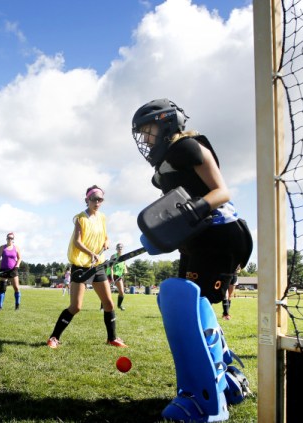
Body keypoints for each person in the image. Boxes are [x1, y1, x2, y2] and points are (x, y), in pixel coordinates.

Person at [132, 99, 253, 421]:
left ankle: (206, 399)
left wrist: (194, 212)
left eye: (149, 131)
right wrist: (166, 234)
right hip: (197, 240)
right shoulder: (165, 163)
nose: (145, 139)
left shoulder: (188, 146)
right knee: (186, 305)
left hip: (221, 234)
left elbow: (221, 192)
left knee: (191, 309)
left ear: (166, 123)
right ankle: (225, 380)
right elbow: (174, 205)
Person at [46, 185, 127, 349]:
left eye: (100, 199)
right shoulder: (80, 218)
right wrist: (91, 253)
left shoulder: (103, 218)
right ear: (87, 200)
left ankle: (112, 338)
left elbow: (105, 237)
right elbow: (77, 241)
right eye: (94, 199)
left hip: (98, 267)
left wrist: (106, 242)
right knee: (76, 307)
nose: (97, 202)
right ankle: (54, 338)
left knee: (109, 304)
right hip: (80, 267)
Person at [0, 232, 23, 310]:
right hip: (3, 270)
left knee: (16, 288)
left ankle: (17, 306)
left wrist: (17, 265)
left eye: (11, 238)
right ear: (6, 238)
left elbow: (19, 258)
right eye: (8, 238)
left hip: (13, 270)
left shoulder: (16, 248)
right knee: (2, 288)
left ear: (13, 240)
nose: (10, 239)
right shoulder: (2, 247)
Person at [106, 243, 128, 310]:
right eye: (118, 248)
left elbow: (124, 265)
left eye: (121, 248)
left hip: (119, 276)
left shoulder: (124, 257)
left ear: (123, 249)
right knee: (106, 292)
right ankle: (102, 307)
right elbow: (111, 267)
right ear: (116, 249)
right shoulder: (113, 256)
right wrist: (112, 278)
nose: (120, 249)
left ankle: (119, 305)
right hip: (110, 275)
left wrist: (125, 270)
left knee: (121, 292)